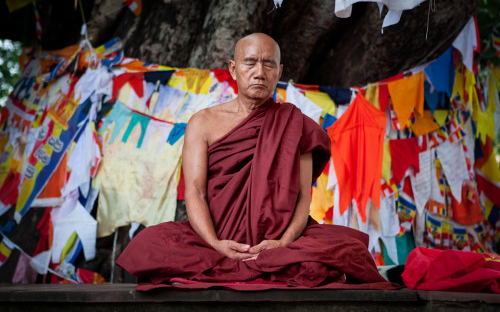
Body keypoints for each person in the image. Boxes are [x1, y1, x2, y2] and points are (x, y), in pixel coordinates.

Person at [116, 33, 395, 290]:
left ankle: (268, 259)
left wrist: (282, 243)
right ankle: (233, 258)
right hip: (215, 238)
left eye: (268, 64)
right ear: (234, 68)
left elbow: (302, 199)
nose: (259, 73)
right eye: (250, 63)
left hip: (279, 239)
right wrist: (215, 243)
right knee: (149, 244)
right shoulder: (203, 123)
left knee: (341, 253)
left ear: (280, 72)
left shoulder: (297, 124)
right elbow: (196, 192)